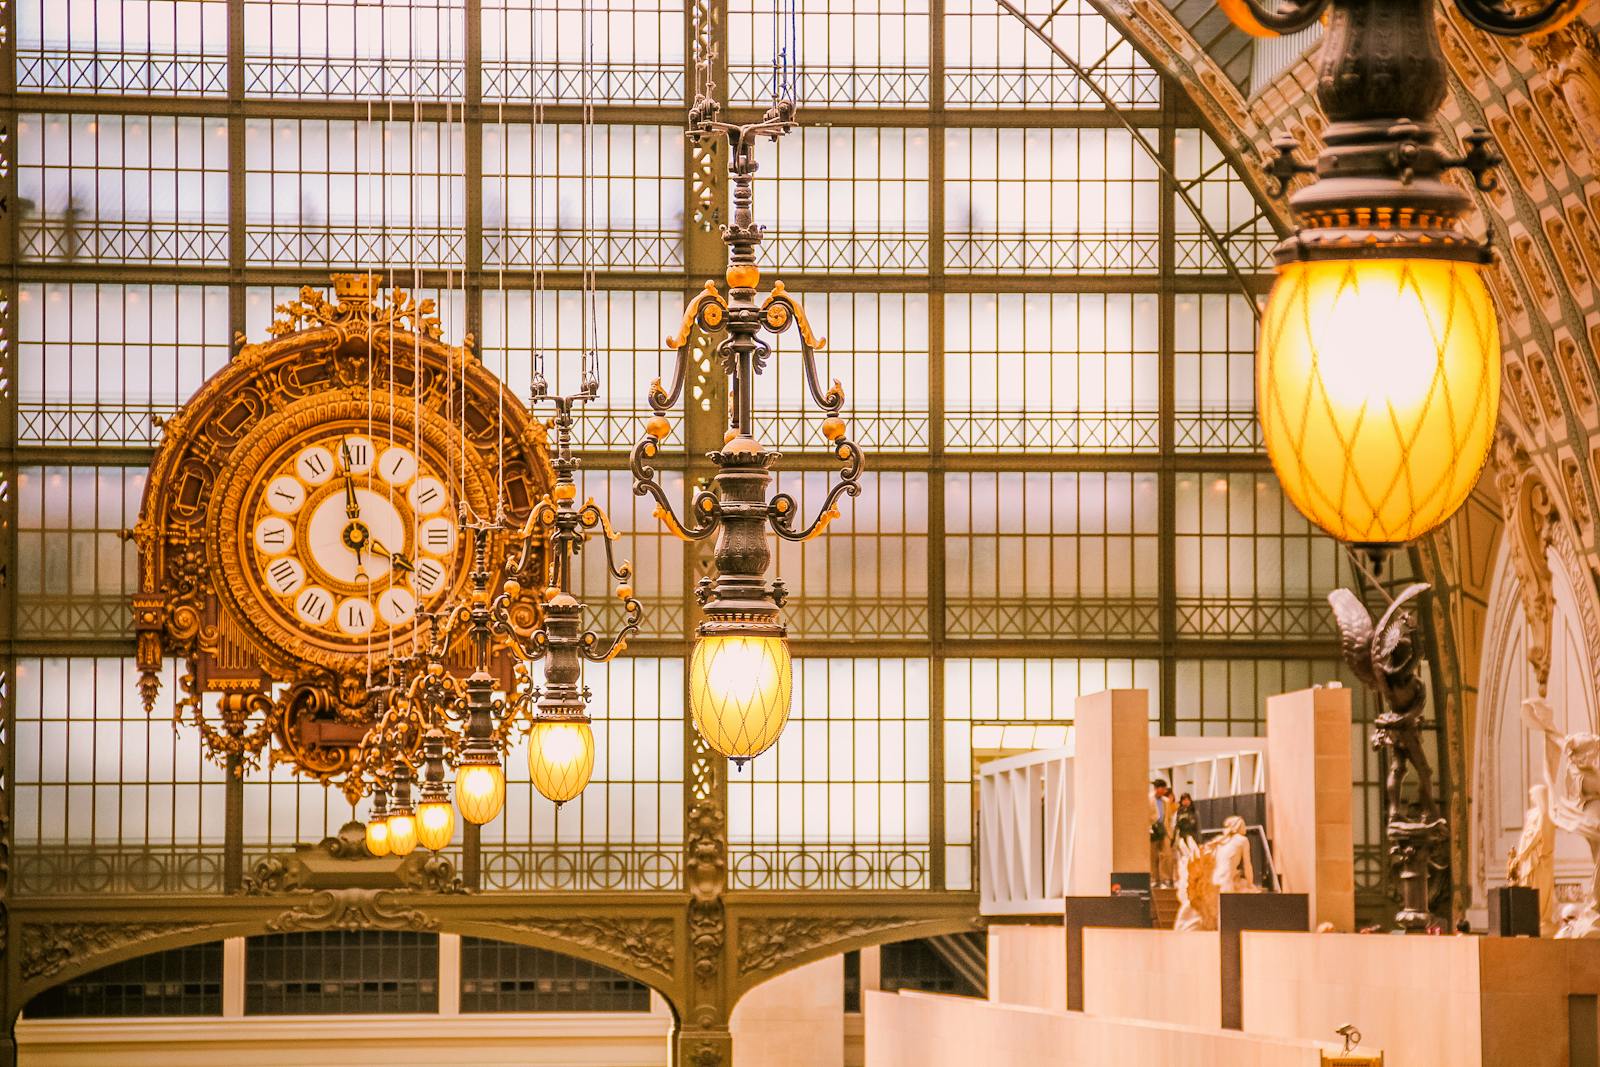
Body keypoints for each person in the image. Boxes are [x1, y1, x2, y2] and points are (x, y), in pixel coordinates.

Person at [1149, 778, 1176, 887]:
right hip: (1152, 830)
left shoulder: (1166, 801)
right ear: (1157, 789)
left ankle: (1166, 878)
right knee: (1153, 856)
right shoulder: (1148, 799)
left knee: (1167, 855)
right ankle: (1155, 879)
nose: (1164, 790)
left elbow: (1168, 817)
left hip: (1164, 830)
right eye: (1162, 788)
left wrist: (1170, 833)